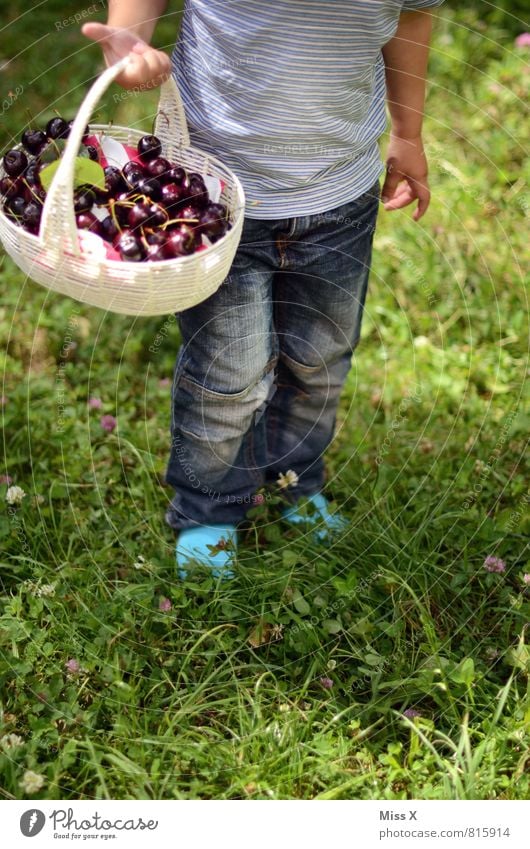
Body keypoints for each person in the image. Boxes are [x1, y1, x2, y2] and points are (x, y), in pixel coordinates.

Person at [83, 0, 444, 579]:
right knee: (227, 373)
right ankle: (208, 509)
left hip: (339, 196)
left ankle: (292, 477)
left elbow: (411, 19)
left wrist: (409, 132)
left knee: (320, 359)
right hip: (215, 199)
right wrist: (128, 39)